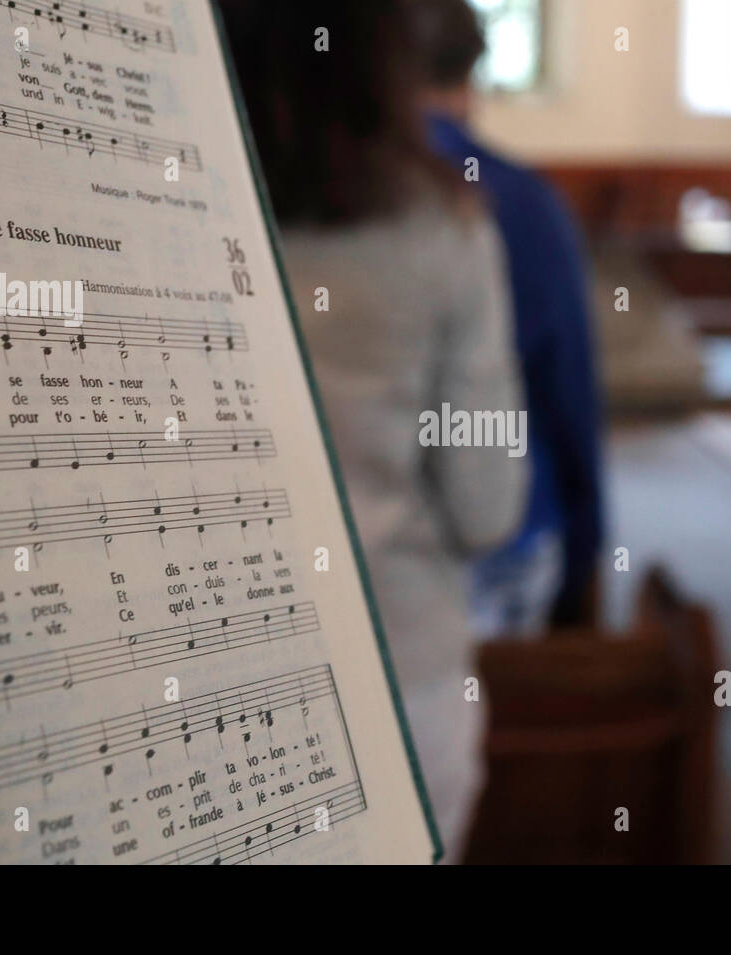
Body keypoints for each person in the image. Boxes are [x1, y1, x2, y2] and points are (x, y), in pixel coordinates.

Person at [218, 0, 526, 860]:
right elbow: (485, 506)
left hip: (212, 694)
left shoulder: (174, 214)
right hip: (402, 678)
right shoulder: (442, 234)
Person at [411, 0, 604, 634]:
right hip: (501, 543)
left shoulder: (316, 197)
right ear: (471, 77)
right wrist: (586, 554)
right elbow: (568, 396)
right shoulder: (520, 202)